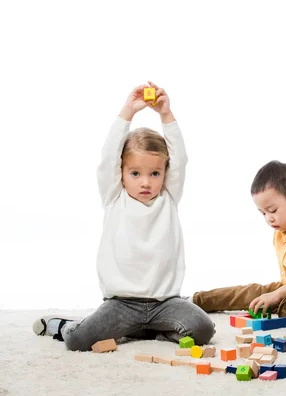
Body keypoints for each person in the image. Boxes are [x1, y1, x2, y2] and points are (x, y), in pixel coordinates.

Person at [32, 82, 215, 351]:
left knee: (203, 329)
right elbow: (108, 157)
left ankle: (148, 331)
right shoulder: (114, 196)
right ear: (122, 172)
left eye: (154, 173)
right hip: (121, 304)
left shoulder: (169, 197)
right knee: (78, 341)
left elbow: (181, 159)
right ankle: (63, 325)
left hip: (165, 302)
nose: (146, 182)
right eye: (135, 173)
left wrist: (166, 114)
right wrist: (127, 112)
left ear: (164, 173)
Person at [191, 161, 286, 323]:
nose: (268, 219)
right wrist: (274, 294)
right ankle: (195, 300)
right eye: (263, 213)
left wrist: (277, 295)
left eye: (272, 211)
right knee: (252, 292)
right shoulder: (282, 228)